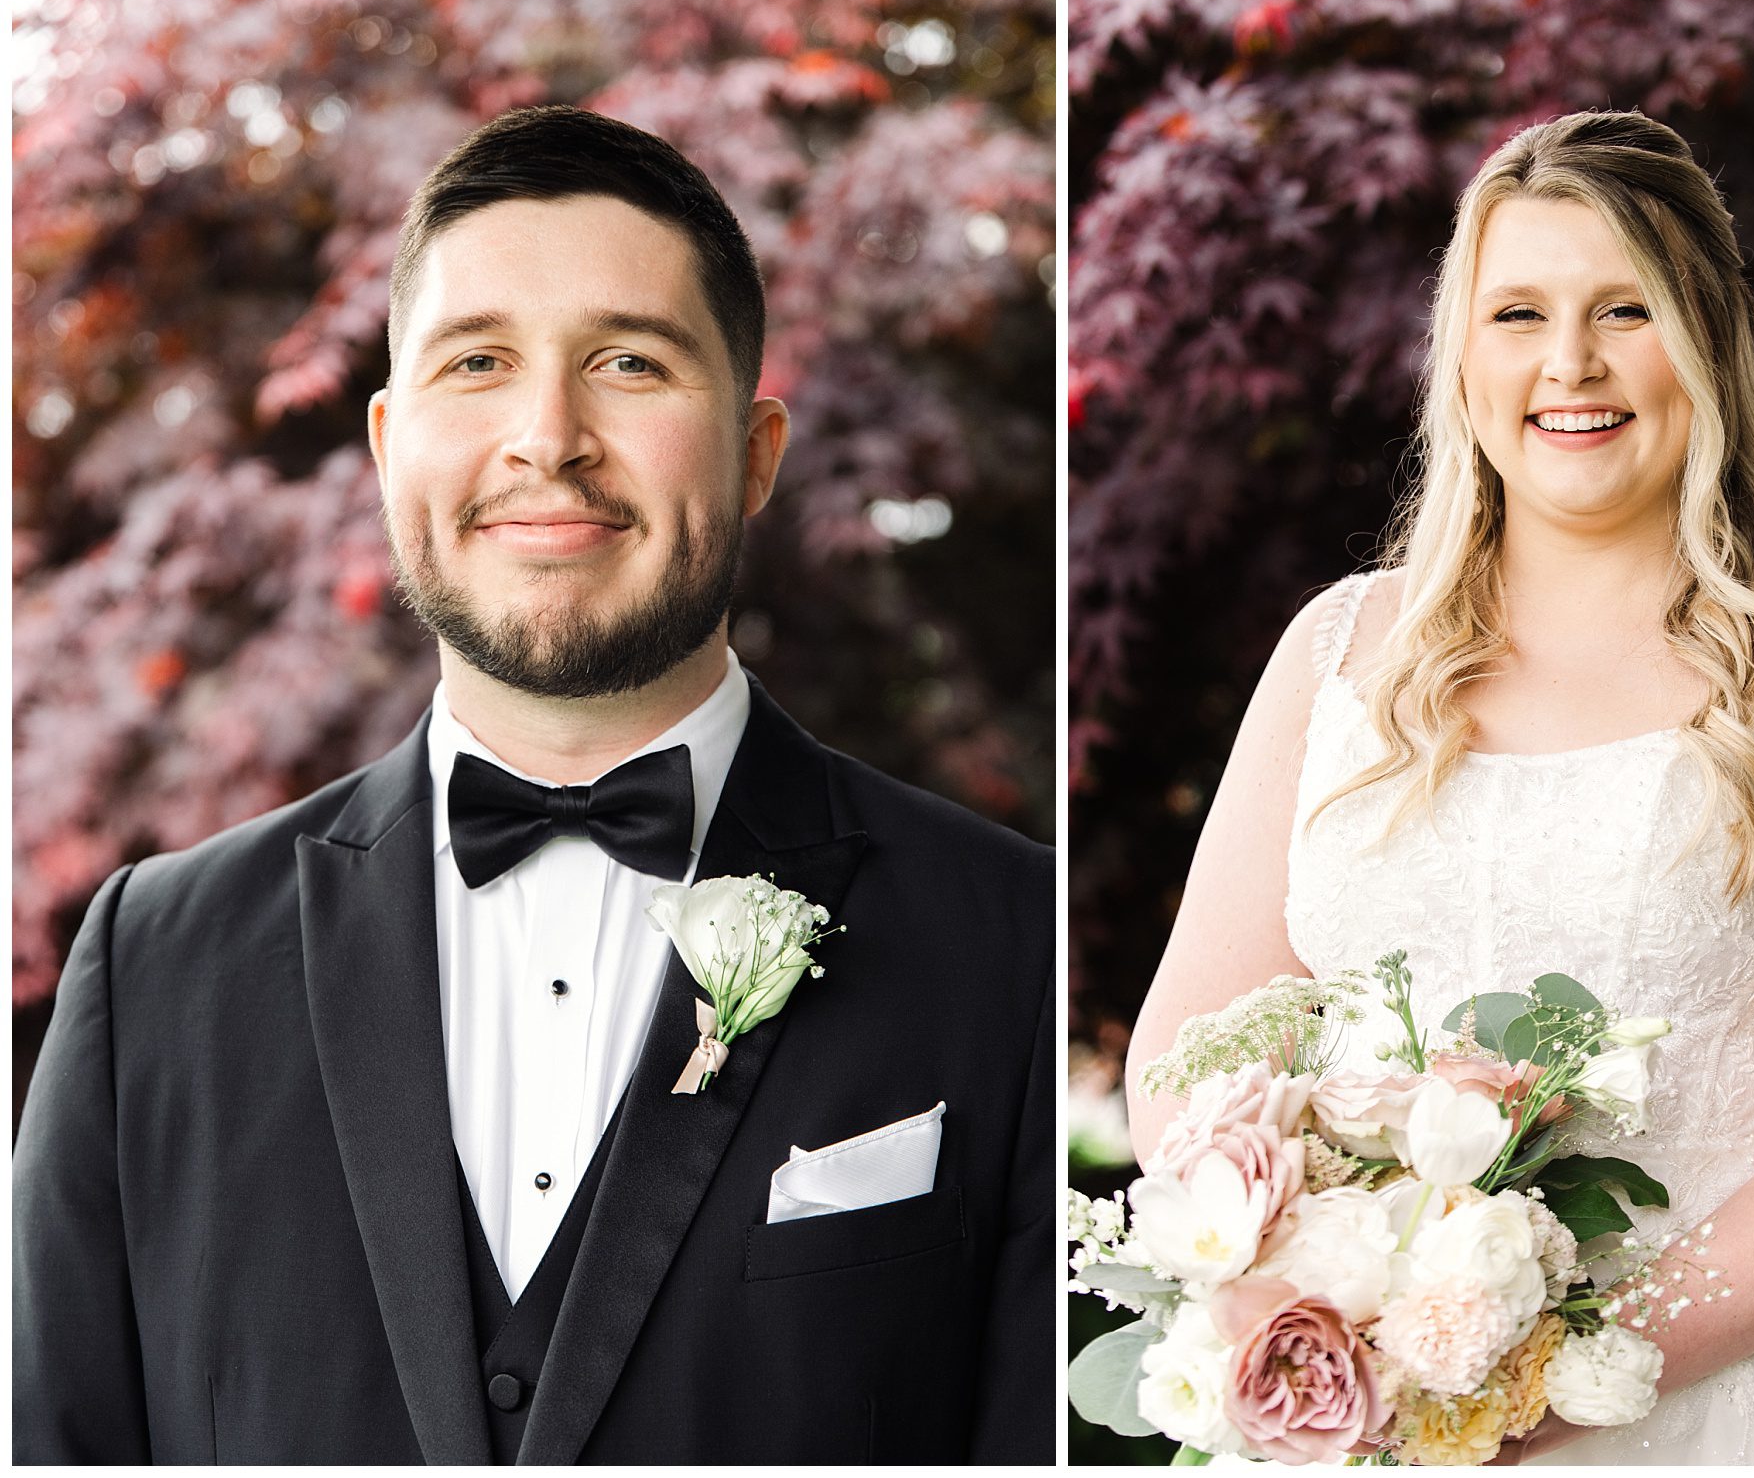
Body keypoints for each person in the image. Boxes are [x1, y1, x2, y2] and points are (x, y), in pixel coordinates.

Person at [14, 105, 1054, 1465]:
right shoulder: (150, 964)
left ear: (756, 455)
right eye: (479, 361)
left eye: (629, 361)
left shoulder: (1010, 942)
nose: (547, 436)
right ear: (390, 450)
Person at [1124, 111, 1754, 1463]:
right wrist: (1325, 1300)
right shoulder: (1341, 654)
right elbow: (1190, 1055)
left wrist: (1553, 1368)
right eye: (1519, 310)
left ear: (1706, 342)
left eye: (1624, 309)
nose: (1570, 362)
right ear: (1461, 356)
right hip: (1373, 1414)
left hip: (1739, 1403)